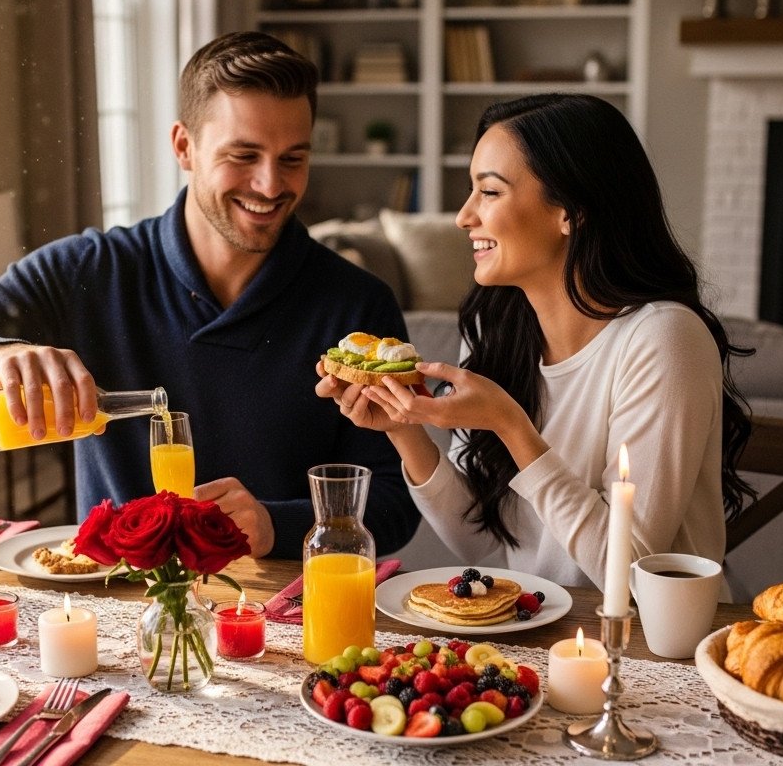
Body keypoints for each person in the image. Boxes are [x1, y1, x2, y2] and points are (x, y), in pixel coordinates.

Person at [0, 31, 419, 560]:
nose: (271, 184)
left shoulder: (358, 306)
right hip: (116, 608)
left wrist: (278, 523)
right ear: (184, 146)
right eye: (244, 155)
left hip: (278, 615)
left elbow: (397, 506)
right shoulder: (89, 269)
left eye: (293, 159)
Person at [316, 94, 754, 589]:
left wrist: (509, 424)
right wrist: (403, 427)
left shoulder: (663, 340)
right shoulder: (494, 332)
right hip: (541, 638)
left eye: (490, 192)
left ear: (570, 211)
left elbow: (629, 573)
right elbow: (492, 548)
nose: (463, 216)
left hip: (654, 648)